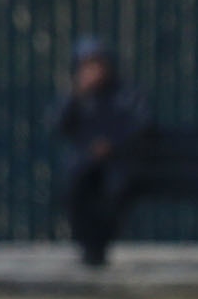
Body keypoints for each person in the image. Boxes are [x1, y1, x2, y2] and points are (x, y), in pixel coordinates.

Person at [50, 36, 148, 268]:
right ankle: (88, 248)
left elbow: (141, 126)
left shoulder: (125, 94)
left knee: (114, 192)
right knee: (76, 188)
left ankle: (98, 247)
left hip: (119, 163)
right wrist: (75, 95)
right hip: (85, 164)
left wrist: (112, 144)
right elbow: (58, 125)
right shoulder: (78, 97)